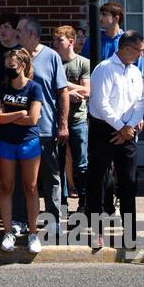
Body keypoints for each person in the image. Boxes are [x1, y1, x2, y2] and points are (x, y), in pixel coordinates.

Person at [86, 31, 144, 253]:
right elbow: (101, 103)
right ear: (127, 49)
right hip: (105, 129)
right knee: (98, 180)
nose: (142, 54)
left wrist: (129, 126)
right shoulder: (104, 68)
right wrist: (120, 127)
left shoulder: (135, 71)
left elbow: (140, 101)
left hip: (128, 130)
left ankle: (129, 233)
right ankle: (97, 231)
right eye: (140, 50)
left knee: (129, 182)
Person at [12, 18, 69, 239]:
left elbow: (62, 91)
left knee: (51, 176)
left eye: (20, 31)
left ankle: (53, 219)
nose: (16, 34)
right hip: (19, 129)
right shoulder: (15, 57)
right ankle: (20, 219)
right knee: (19, 177)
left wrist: (62, 124)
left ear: (33, 35)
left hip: (45, 128)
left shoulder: (51, 57)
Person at [0, 47, 46, 253]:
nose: (8, 69)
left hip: (28, 142)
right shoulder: (1, 87)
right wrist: (19, 113)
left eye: (12, 66)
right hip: (6, 142)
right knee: (6, 187)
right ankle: (8, 232)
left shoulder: (34, 88)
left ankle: (32, 233)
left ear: (22, 66)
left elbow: (32, 119)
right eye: (6, 66)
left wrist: (9, 115)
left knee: (30, 187)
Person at [52, 25, 90, 213]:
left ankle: (83, 201)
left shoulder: (83, 63)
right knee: (57, 164)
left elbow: (87, 90)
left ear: (71, 42)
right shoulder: (53, 62)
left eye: (60, 40)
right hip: (55, 119)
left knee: (81, 163)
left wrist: (63, 87)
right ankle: (62, 202)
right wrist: (71, 91)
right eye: (55, 40)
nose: (56, 44)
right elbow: (49, 88)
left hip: (77, 119)